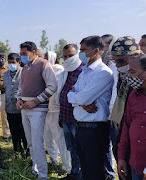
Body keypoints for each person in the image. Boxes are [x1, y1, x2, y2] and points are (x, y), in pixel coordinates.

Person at [67, 36, 114, 180]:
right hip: (81, 127)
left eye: (83, 50)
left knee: (95, 171)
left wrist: (78, 98)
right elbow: (72, 93)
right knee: (86, 168)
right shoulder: (85, 71)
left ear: (96, 51)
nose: (80, 53)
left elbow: (80, 97)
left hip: (95, 129)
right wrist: (79, 100)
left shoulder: (103, 73)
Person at [17, 41, 57, 179]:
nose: (22, 56)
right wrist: (19, 99)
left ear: (33, 52)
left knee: (38, 142)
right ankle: (36, 168)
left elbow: (52, 87)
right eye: (21, 54)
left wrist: (35, 101)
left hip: (38, 110)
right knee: (31, 142)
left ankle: (43, 174)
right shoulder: (24, 68)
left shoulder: (44, 64)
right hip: (25, 110)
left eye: (24, 53)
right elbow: (21, 88)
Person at [110, 36, 141, 180]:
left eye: (121, 61)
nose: (117, 65)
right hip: (123, 132)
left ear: (135, 56)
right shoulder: (123, 75)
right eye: (115, 61)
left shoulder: (140, 78)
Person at [57, 44, 84, 180]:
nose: (67, 59)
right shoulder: (65, 71)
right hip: (66, 116)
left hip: (78, 119)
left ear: (78, 54)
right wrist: (61, 118)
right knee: (71, 148)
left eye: (71, 56)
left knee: (81, 149)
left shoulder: (83, 71)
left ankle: (81, 175)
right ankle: (74, 173)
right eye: (65, 56)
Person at [117, 54, 146, 180]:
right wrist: (122, 157)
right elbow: (127, 126)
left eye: (133, 72)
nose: (130, 77)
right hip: (136, 164)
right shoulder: (133, 95)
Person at [43, 51, 71, 174]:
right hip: (47, 110)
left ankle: (66, 166)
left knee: (60, 139)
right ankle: (53, 160)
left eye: (45, 58)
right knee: (47, 137)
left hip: (57, 110)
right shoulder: (46, 72)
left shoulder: (61, 72)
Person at [3, 53, 27, 155]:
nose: (11, 64)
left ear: (19, 62)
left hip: (21, 108)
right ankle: (17, 150)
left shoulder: (24, 73)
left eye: (13, 62)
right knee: (14, 131)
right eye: (9, 62)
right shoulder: (5, 74)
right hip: (9, 107)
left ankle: (27, 150)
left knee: (24, 131)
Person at [101, 34, 117, 180]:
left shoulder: (116, 64)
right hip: (104, 111)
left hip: (115, 112)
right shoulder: (105, 63)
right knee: (106, 146)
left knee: (117, 148)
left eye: (104, 46)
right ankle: (108, 174)